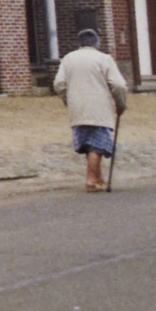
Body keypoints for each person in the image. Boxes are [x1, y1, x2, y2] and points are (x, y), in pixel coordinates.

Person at [53, 28, 128, 191]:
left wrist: (68, 100)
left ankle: (98, 179)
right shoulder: (104, 59)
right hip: (99, 106)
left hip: (77, 107)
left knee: (87, 144)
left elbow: (59, 84)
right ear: (97, 42)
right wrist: (121, 104)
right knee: (97, 145)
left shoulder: (68, 58)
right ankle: (91, 180)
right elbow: (118, 85)